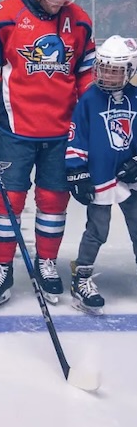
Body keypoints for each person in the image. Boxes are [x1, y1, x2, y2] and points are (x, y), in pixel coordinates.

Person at [0, 0, 96, 310]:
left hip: (61, 132)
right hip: (14, 130)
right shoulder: (5, 15)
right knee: (6, 201)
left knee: (54, 202)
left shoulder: (79, 21)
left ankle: (46, 262)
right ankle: (1, 268)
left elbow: (86, 74)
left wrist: (88, 119)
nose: (63, 0)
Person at [65, 35, 137, 315]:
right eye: (103, 69)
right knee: (98, 229)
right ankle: (81, 275)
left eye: (114, 71)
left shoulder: (135, 98)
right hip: (100, 176)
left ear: (129, 70)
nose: (107, 75)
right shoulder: (89, 100)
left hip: (130, 179)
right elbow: (77, 137)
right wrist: (77, 172)